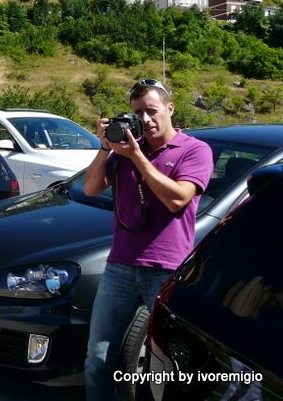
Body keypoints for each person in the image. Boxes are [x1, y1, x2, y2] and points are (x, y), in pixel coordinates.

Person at [82, 78, 213, 400]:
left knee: (167, 366)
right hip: (120, 268)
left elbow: (178, 199)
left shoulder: (195, 150)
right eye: (138, 113)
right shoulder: (125, 151)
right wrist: (104, 148)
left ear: (170, 109)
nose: (145, 120)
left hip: (166, 271)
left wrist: (137, 157)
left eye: (152, 111)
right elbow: (91, 188)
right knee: (97, 360)